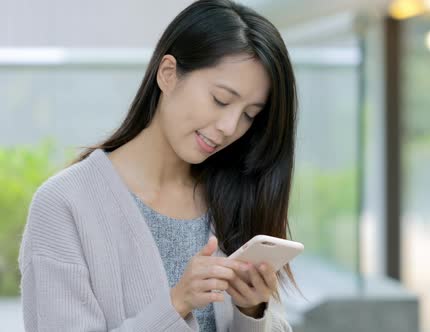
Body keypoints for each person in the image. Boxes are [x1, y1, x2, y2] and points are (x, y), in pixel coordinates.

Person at [17, 0, 298, 330]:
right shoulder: (64, 204)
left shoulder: (236, 194)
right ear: (168, 74)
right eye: (221, 99)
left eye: (249, 115)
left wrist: (251, 313)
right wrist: (177, 303)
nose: (229, 126)